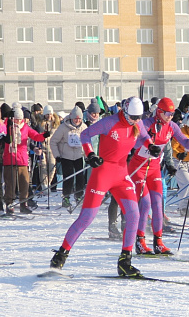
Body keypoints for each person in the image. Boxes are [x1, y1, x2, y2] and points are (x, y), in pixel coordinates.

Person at [49, 97, 155, 277]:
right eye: (132, 117)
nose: (136, 121)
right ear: (125, 111)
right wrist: (90, 154)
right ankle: (60, 256)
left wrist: (151, 146)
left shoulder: (137, 123)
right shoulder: (110, 122)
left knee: (133, 214)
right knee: (87, 217)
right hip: (103, 172)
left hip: (121, 174)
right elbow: (85, 135)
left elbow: (144, 135)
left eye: (138, 118)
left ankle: (125, 262)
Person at [130, 97, 189, 255]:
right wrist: (147, 142)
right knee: (146, 202)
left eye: (172, 113)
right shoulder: (147, 124)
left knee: (158, 203)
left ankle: (158, 242)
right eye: (168, 113)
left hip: (154, 167)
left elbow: (188, 145)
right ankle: (140, 241)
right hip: (139, 166)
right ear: (159, 112)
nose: (170, 116)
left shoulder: (171, 126)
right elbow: (133, 143)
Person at [3, 107, 49, 214]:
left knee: (24, 182)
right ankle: (9, 204)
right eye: (16, 119)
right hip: (9, 158)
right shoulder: (7, 126)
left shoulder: (25, 127)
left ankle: (24, 203)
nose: (18, 121)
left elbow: (35, 136)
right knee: (10, 183)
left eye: (20, 119)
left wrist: (44, 135)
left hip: (22, 159)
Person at [50, 106, 88, 208]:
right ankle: (66, 198)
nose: (77, 120)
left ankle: (79, 196)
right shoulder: (63, 127)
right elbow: (53, 141)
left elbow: (87, 142)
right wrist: (57, 155)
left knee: (80, 177)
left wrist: (87, 154)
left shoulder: (83, 127)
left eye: (79, 119)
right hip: (66, 156)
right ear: (71, 118)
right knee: (68, 178)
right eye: (75, 118)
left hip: (79, 156)